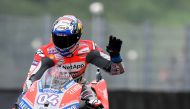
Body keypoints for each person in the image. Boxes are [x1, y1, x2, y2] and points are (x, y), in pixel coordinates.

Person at [23, 15, 125, 108]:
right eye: (58, 38)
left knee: (96, 103)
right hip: (49, 93)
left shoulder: (89, 49)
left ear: (77, 37)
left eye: (67, 39)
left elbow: (117, 70)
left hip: (79, 88)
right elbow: (31, 80)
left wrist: (116, 58)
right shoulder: (45, 52)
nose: (62, 44)